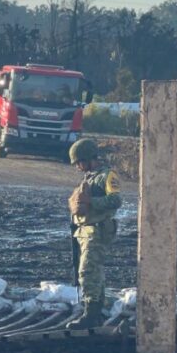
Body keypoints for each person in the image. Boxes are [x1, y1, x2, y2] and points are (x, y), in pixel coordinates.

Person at [66, 139, 121, 330]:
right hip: (86, 230)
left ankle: (90, 314)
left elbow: (116, 200)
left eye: (79, 163)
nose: (78, 168)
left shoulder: (107, 176)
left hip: (97, 230)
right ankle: (95, 312)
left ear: (89, 159)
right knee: (94, 272)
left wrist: (91, 202)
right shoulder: (90, 177)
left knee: (88, 271)